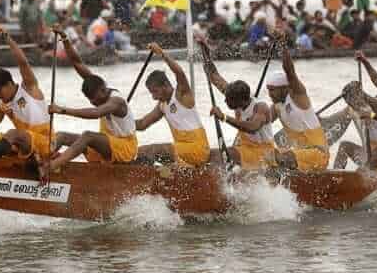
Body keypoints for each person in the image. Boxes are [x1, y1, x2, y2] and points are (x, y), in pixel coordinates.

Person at [41, 27, 139, 180]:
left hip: (125, 149)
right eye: (91, 101)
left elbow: (96, 113)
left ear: (102, 90)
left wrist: (62, 110)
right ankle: (42, 161)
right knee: (61, 136)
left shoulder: (116, 102)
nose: (94, 104)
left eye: (95, 101)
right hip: (106, 145)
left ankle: (52, 167)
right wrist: (65, 38)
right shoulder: (96, 84)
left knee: (87, 136)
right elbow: (76, 62)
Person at [199, 36, 274, 169]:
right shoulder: (234, 95)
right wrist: (205, 52)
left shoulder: (260, 107)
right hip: (245, 147)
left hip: (263, 153)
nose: (225, 100)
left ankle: (224, 182)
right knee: (210, 155)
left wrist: (224, 117)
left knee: (216, 155)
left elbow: (252, 127)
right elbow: (214, 77)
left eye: (228, 100)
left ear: (241, 100)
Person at [0, 26, 53, 164]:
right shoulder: (2, 105)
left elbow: (23, 63)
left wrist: (7, 38)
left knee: (12, 134)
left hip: (46, 144)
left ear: (9, 84)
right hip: (25, 144)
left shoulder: (29, 87)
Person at [135, 43, 210, 167]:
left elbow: (179, 72)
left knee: (153, 150)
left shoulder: (182, 94)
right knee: (141, 151)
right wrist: (121, 121)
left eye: (155, 91)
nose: (154, 97)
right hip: (182, 151)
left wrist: (162, 54)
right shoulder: (162, 105)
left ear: (165, 85)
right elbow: (143, 124)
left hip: (198, 149)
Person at [262, 37, 329, 171]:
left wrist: (282, 44)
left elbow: (290, 71)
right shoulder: (276, 107)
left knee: (279, 158)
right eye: (268, 90)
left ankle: (279, 182)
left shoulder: (298, 97)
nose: (270, 94)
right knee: (265, 156)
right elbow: (260, 123)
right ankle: (270, 190)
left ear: (285, 88)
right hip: (299, 156)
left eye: (273, 90)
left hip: (318, 154)